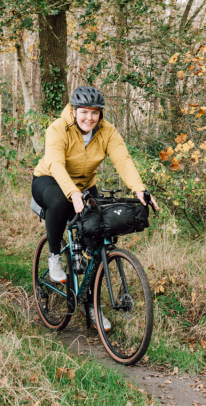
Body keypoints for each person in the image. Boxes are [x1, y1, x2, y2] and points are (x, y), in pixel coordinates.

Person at [31, 85, 159, 330]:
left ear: (101, 114)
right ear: (74, 110)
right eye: (84, 112)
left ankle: (92, 306)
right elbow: (56, 164)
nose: (89, 118)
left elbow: (123, 159)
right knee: (59, 201)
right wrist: (72, 193)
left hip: (85, 184)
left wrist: (139, 189)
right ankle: (54, 257)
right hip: (49, 180)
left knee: (97, 233)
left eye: (95, 113)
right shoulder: (58, 128)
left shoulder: (107, 132)